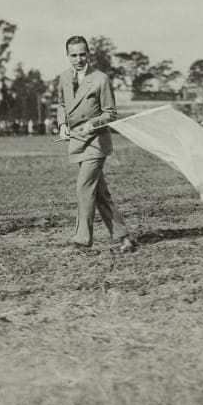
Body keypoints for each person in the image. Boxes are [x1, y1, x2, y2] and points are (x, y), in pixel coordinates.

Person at [56, 35, 136, 253]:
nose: (78, 59)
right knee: (99, 192)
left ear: (89, 54)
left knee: (83, 187)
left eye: (82, 54)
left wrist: (93, 123)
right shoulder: (63, 78)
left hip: (96, 142)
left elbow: (111, 113)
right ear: (67, 56)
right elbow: (62, 104)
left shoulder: (100, 79)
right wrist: (62, 125)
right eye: (74, 55)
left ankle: (82, 241)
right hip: (77, 142)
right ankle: (124, 238)